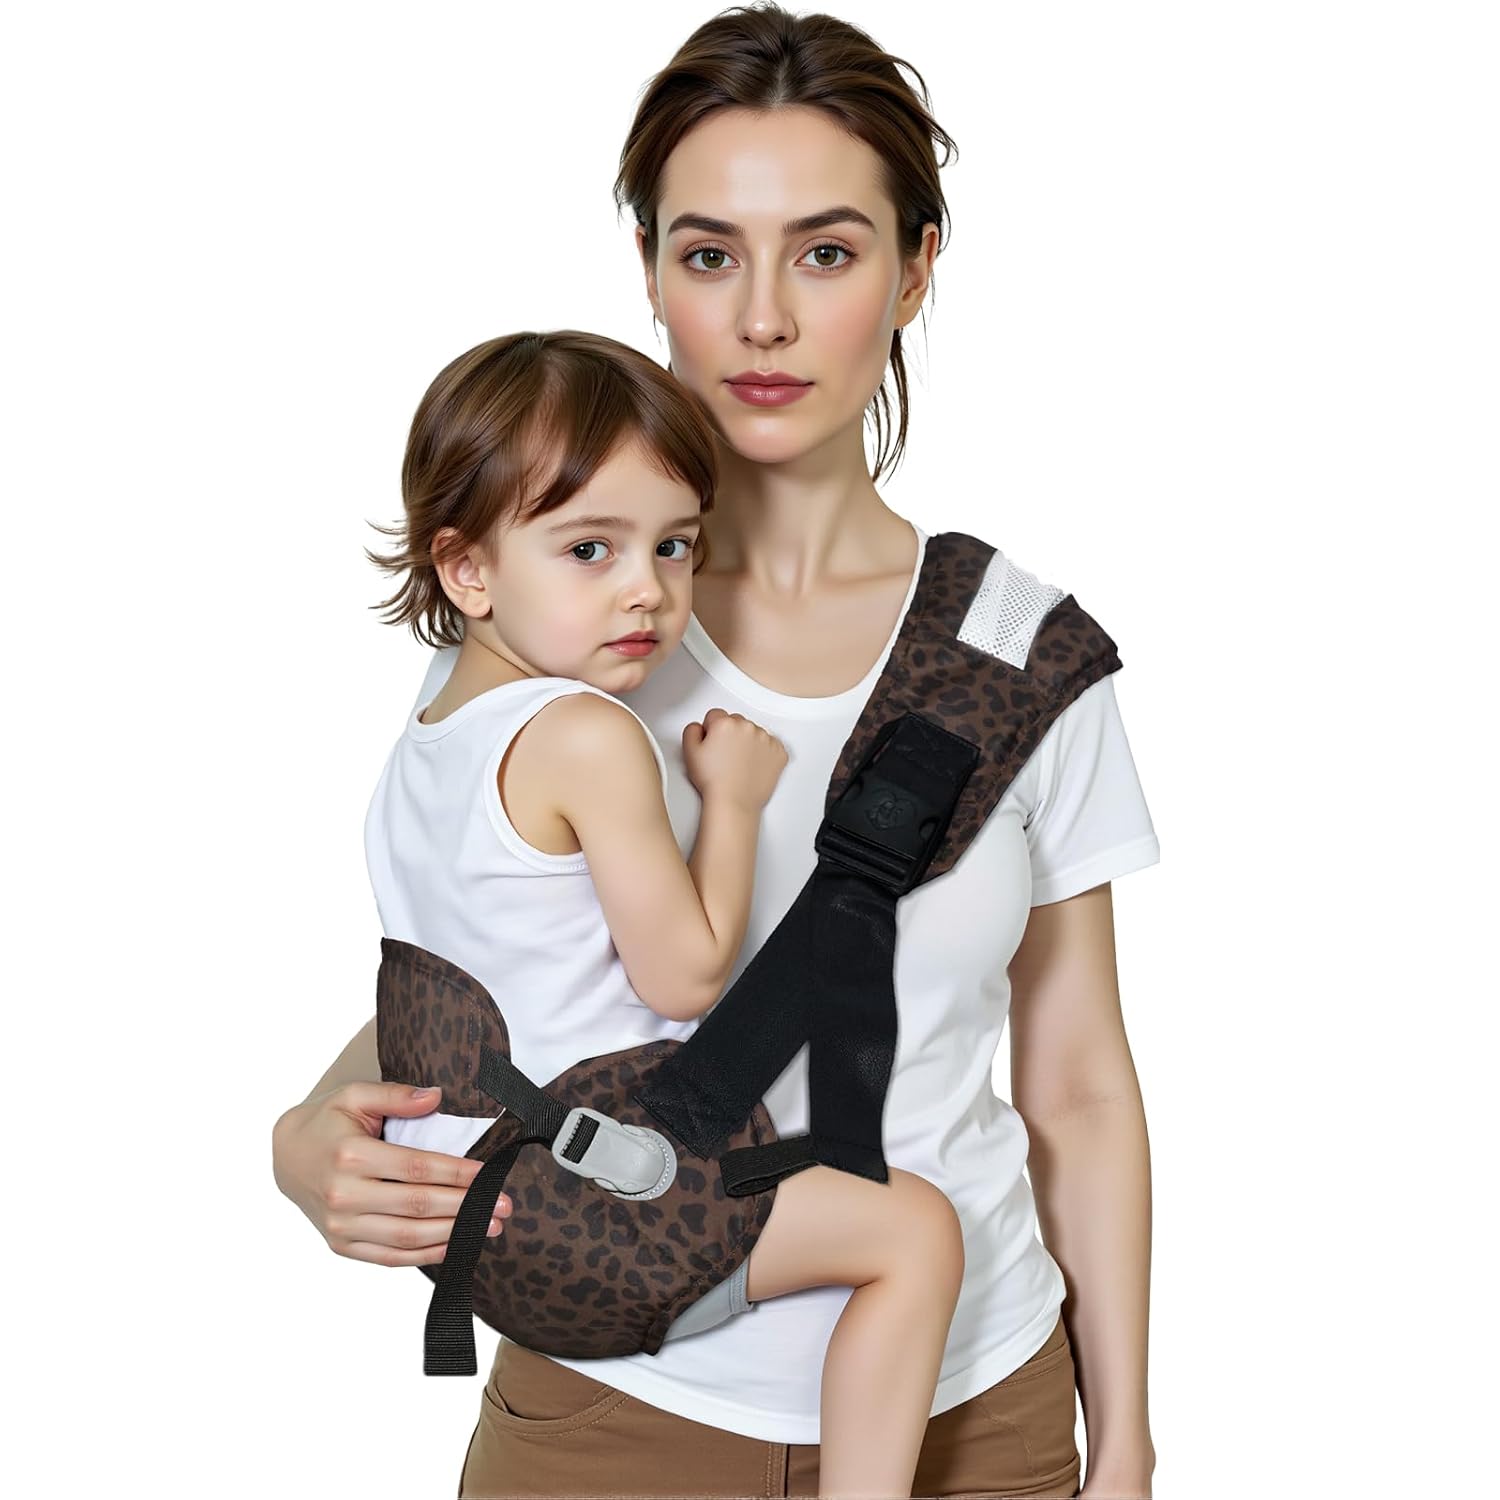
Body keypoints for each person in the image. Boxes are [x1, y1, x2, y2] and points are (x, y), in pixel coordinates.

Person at [272, 7, 1159, 1496]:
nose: (762, 320)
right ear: (650, 273)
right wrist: (308, 1135)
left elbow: (1078, 1084)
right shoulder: (563, 626)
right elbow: (493, 966)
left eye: (826, 252)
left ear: (915, 270)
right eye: (708, 254)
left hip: (977, 1418)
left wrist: (1122, 1438)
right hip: (612, 1411)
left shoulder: (1018, 653)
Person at [361, 326, 966, 1499]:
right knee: (915, 1235)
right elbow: (684, 975)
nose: (647, 588)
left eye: (675, 544)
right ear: (467, 570)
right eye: (589, 548)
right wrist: (730, 801)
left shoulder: (426, 742)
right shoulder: (584, 735)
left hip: (471, 1210)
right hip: (583, 1207)